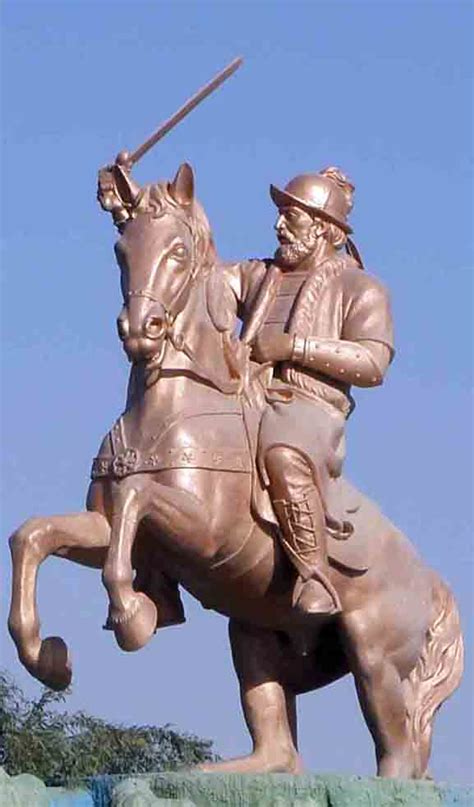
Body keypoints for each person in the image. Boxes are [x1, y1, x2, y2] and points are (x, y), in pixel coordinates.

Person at [224, 167, 395, 616]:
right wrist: (132, 209)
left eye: (291, 216)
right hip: (249, 393)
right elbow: (201, 278)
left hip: (310, 408)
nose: (279, 225)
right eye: (281, 214)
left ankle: (313, 574)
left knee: (283, 453)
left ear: (322, 229)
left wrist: (293, 347)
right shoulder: (259, 275)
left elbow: (373, 363)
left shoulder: (361, 288)